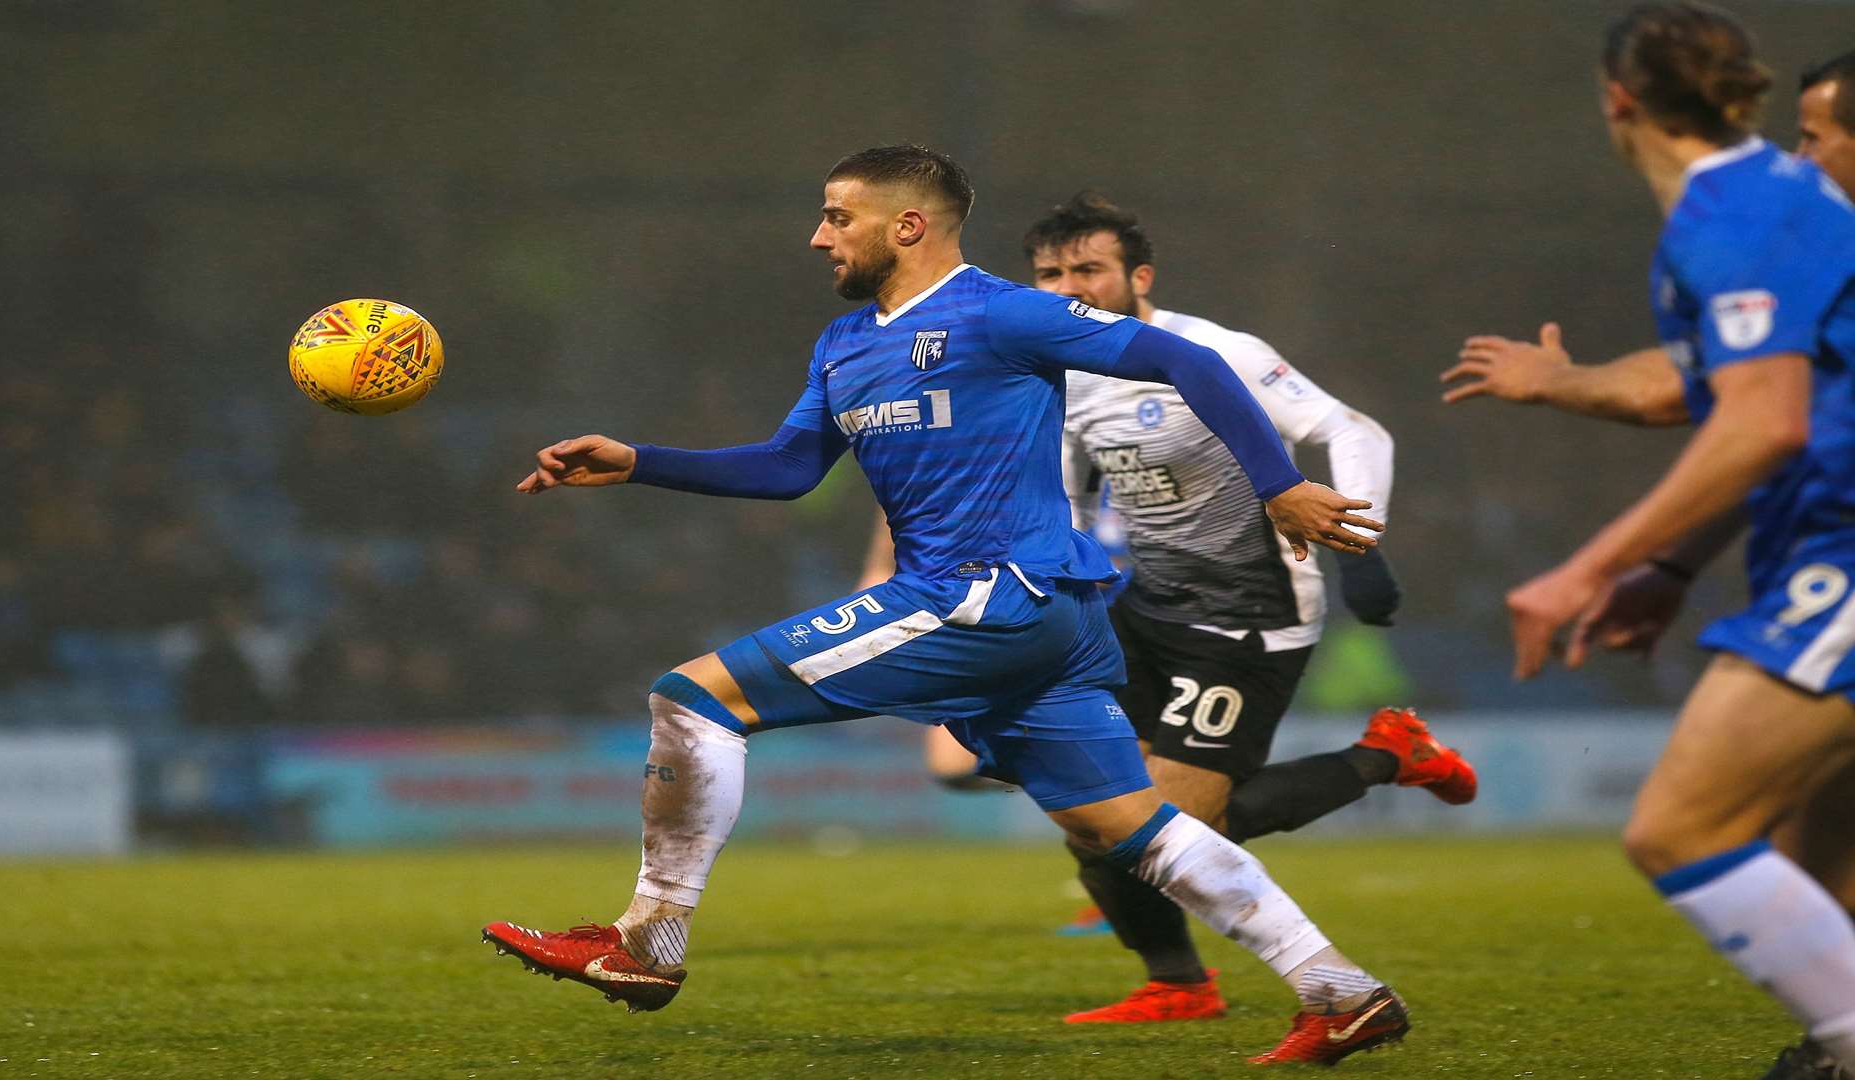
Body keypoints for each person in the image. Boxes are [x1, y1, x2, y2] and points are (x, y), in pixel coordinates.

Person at [482, 144, 1410, 1064]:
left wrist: (1279, 485)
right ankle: (1340, 991)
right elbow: (789, 469)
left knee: (693, 698)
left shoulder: (1004, 314)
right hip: (1027, 621)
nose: (818, 237)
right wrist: (642, 461)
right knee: (1122, 826)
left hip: (991, 595)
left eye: (837, 216)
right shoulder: (845, 344)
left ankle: (648, 943)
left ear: (908, 224)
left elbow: (1188, 363)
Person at [861, 192, 1478, 1025]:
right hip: (1142, 608)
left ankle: (1387, 753)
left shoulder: (1211, 352)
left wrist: (1360, 540)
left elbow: (1356, 430)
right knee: (1090, 811)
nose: (1068, 288)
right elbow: (1069, 499)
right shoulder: (1060, 374)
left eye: (1090, 270)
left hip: (1246, 619)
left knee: (1174, 826)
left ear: (1138, 275)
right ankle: (1178, 986)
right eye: (1050, 274)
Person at [1441, 5, 1855, 1075]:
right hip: (1815, 542)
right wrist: (1668, 562)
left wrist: (1585, 569)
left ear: (1618, 99)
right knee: (1824, 861)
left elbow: (1764, 418)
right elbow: (1722, 387)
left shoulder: (1735, 217)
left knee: (1683, 829)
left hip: (1845, 557)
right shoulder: (1776, 198)